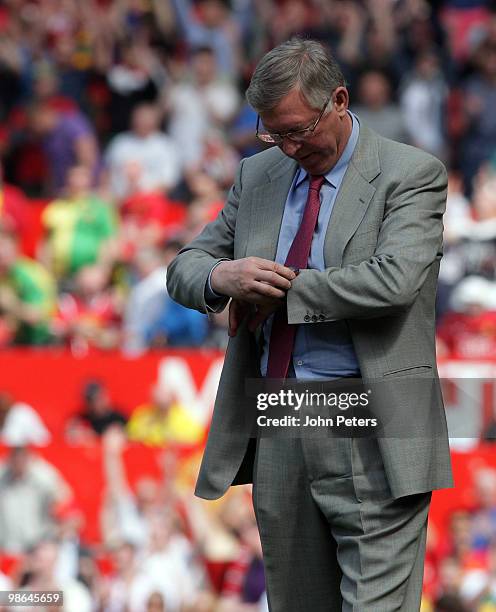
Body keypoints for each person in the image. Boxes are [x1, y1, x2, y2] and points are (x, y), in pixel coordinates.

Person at [167, 38, 454, 611]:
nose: (289, 147)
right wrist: (225, 277)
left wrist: (281, 290)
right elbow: (184, 268)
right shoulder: (258, 176)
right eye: (274, 133)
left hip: (373, 416)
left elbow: (393, 280)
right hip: (280, 415)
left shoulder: (411, 173)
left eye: (298, 130)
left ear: (341, 101)